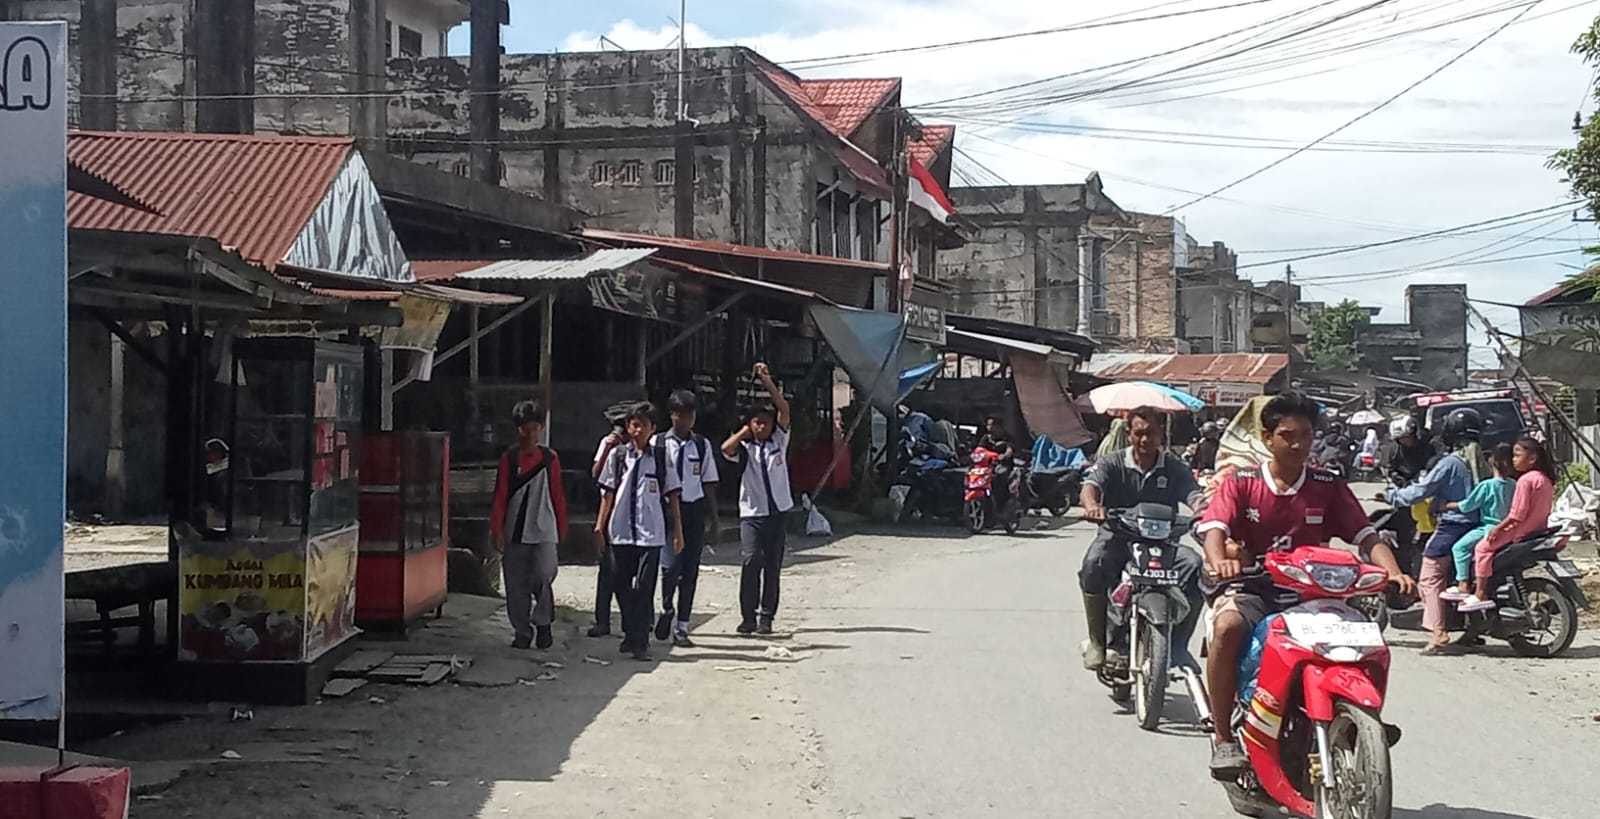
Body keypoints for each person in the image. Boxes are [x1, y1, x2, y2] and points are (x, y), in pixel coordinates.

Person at [1199, 392, 1414, 777]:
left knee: (1367, 642)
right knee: (1228, 628)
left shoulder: (1327, 484)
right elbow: (1214, 529)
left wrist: (1393, 572)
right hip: (1255, 588)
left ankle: (1363, 717)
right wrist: (1221, 563)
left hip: (1315, 594)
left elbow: (1366, 536)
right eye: (1287, 435)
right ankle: (1222, 738)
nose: (1298, 444)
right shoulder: (1242, 482)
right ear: (1267, 438)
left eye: (1306, 434)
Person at [1078, 406, 1207, 671]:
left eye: (1152, 433)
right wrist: (1092, 505)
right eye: (1139, 433)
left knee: (1196, 567)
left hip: (1162, 544)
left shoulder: (1174, 466)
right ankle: (1097, 642)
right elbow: (1090, 488)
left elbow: (1195, 495)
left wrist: (1204, 512)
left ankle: (1179, 646)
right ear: (1129, 434)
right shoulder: (1112, 462)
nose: (1145, 440)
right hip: (1117, 539)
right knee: (1093, 564)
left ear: (1162, 435)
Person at [1382, 408, 1487, 653]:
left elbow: (1421, 490)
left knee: (1429, 576)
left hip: (1452, 525)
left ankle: (1438, 632)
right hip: (1478, 525)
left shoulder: (1450, 463)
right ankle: (1472, 631)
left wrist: (1392, 497)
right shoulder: (1481, 459)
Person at [595, 402, 685, 661]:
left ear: (653, 429)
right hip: (621, 531)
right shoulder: (618, 456)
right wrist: (600, 526)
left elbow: (673, 495)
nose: (638, 430)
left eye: (644, 425)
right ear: (628, 427)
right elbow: (607, 493)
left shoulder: (660, 458)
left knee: (645, 587)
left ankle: (640, 643)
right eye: (634, 425)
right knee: (621, 585)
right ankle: (631, 633)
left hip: (650, 533)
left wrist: (678, 529)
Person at [721, 363, 793, 636]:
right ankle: (747, 616)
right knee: (751, 561)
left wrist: (766, 380)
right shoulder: (746, 448)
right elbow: (725, 449)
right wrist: (743, 432)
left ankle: (766, 617)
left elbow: (784, 409)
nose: (761, 426)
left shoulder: (779, 442)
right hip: (751, 513)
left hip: (778, 512)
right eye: (757, 422)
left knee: (772, 566)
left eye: (765, 422)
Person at [490, 400, 568, 650]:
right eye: (527, 429)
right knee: (515, 583)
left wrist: (561, 526)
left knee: (544, 574)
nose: (532, 434)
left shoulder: (549, 458)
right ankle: (522, 632)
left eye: (535, 428)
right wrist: (497, 530)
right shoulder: (509, 459)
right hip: (515, 529)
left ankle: (543, 622)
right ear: (519, 430)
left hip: (544, 527)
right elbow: (501, 494)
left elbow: (557, 493)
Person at [1457, 437, 1557, 613]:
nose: (1513, 460)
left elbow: (1517, 515)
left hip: (1520, 531)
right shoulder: (1545, 480)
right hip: (1538, 531)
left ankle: (1480, 593)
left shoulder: (1525, 480)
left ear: (1532, 458)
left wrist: (1498, 528)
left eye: (1517, 455)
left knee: (1482, 549)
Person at [653, 389, 721, 647]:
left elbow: (709, 483)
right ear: (672, 415)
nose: (687, 420)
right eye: (682, 415)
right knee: (669, 567)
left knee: (690, 570)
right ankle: (666, 606)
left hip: (692, 511)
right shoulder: (658, 444)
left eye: (691, 414)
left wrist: (714, 520)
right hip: (667, 511)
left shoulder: (701, 445)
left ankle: (682, 626)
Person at [1439, 444, 1516, 605]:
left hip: (1489, 527)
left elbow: (1468, 506)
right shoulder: (1513, 484)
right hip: (1508, 529)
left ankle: (1463, 585)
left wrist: (1446, 505)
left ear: (1492, 462)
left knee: (1459, 548)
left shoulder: (1486, 485)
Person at [588, 403, 634, 638]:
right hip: (609, 516)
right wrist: (608, 448)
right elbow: (596, 473)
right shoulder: (610, 448)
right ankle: (602, 621)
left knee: (627, 576)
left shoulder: (639, 450)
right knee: (607, 572)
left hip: (633, 518)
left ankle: (634, 622)